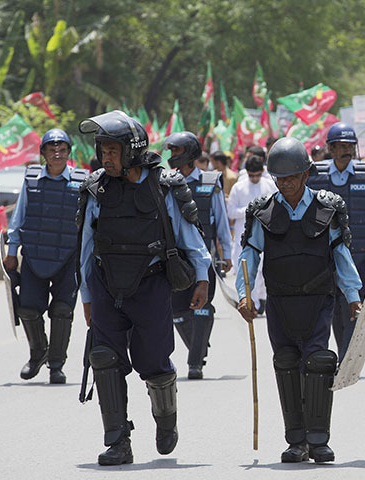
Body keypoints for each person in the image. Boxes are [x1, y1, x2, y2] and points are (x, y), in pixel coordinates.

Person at [76, 110, 211, 465]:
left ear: (132, 150)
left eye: (112, 150)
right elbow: (87, 248)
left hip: (151, 286)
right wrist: (87, 297)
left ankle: (166, 419)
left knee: (153, 362)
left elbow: (190, 237)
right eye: (102, 150)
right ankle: (118, 441)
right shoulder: (95, 188)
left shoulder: (163, 185)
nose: (106, 157)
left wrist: (202, 277)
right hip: (106, 285)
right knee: (104, 358)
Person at [236, 137, 362, 464]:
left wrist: (352, 296)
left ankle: (318, 440)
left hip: (319, 302)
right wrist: (244, 296)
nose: (286, 184)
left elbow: (342, 255)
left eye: (292, 177)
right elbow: (248, 256)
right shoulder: (263, 212)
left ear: (306, 175)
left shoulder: (327, 208)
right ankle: (296, 441)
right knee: (287, 364)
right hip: (279, 304)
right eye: (280, 178)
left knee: (319, 363)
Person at [3, 128, 89, 384]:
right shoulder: (31, 180)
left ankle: (56, 365)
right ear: (43, 153)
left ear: (68, 152)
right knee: (28, 309)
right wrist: (11, 253)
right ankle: (38, 352)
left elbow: (88, 223)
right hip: (34, 254)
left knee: (62, 311)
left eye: (62, 149)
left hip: (67, 258)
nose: (57, 153)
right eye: (52, 149)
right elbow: (18, 219)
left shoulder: (82, 181)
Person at [307, 123, 365, 360]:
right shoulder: (315, 174)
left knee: (352, 301)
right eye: (341, 146)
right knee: (333, 302)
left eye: (350, 146)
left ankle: (347, 356)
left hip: (358, 250)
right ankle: (342, 351)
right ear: (330, 148)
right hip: (324, 252)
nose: (346, 151)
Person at [164, 131, 233, 379]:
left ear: (191, 153)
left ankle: (195, 363)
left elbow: (221, 221)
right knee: (178, 312)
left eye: (177, 151)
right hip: (175, 261)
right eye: (171, 152)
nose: (172, 157)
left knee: (203, 307)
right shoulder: (165, 182)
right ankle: (199, 346)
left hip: (206, 258)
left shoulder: (210, 182)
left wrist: (227, 253)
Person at [227, 155, 277, 308]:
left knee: (263, 270)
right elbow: (231, 212)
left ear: (262, 171)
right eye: (251, 175)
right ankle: (251, 302)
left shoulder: (270, 185)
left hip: (266, 234)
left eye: (257, 175)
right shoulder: (238, 187)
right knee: (247, 270)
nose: (254, 178)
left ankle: (261, 298)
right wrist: (250, 210)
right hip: (245, 235)